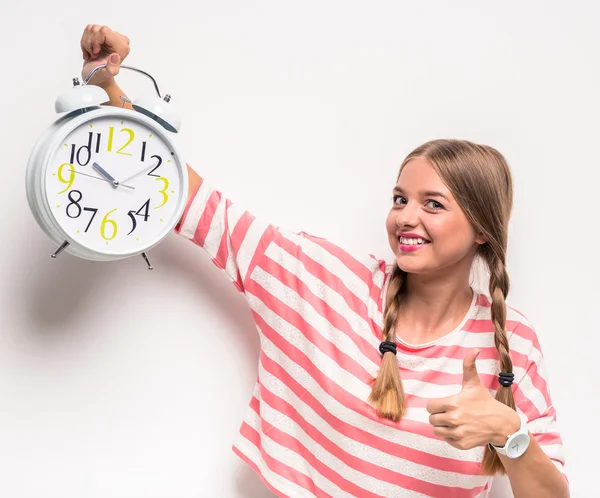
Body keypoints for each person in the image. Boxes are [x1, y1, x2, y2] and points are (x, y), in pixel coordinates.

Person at [78, 24, 569, 498]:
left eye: (433, 204)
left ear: (483, 228)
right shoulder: (326, 283)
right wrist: (109, 85)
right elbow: (191, 200)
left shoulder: (512, 345)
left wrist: (511, 434)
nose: (405, 217)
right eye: (400, 199)